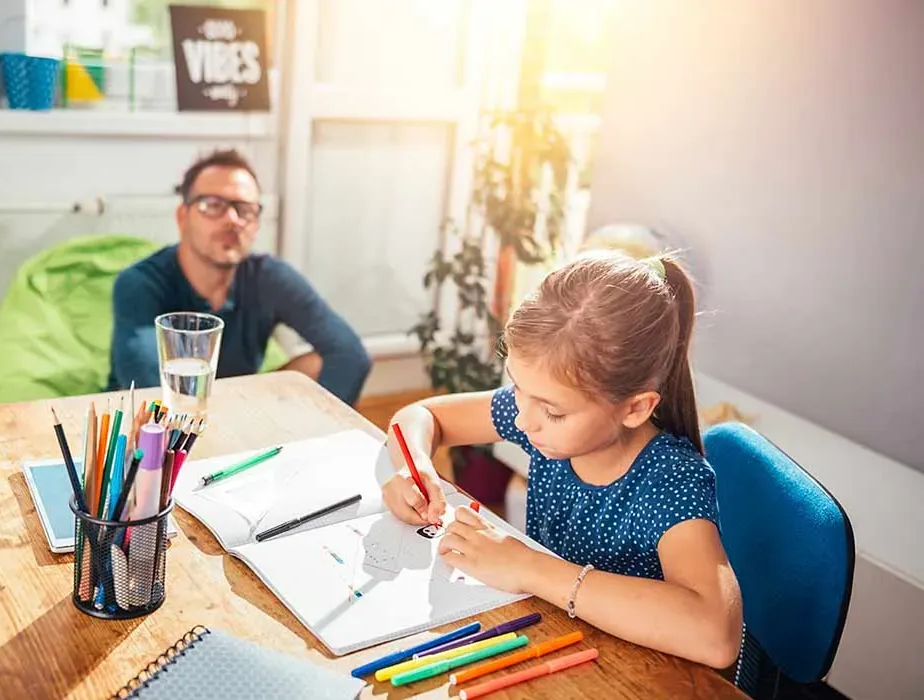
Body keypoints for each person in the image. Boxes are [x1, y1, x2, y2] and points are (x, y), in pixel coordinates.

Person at [381, 250, 743, 668]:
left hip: (641, 674)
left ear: (634, 409)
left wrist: (529, 567)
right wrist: (413, 467)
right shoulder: (543, 420)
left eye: (552, 411)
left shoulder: (670, 479)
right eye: (517, 388)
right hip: (561, 640)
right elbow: (423, 415)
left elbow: (715, 635)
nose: (522, 418)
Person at [108, 149, 371, 405]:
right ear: (183, 216)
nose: (232, 219)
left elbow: (350, 355)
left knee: (316, 365)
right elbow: (147, 384)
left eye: (245, 209)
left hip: (237, 406)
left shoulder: (270, 277)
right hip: (154, 426)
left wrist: (319, 433)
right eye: (212, 205)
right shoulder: (140, 283)